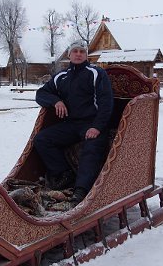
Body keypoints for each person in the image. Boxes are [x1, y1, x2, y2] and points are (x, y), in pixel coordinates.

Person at [34, 39, 113, 206]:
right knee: (42, 139)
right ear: (69, 55)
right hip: (71, 124)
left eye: (82, 51)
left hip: (93, 123)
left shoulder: (96, 73)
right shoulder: (61, 77)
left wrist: (97, 127)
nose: (78, 54)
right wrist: (56, 101)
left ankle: (81, 190)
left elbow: (107, 103)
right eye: (75, 51)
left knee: (91, 147)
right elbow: (41, 94)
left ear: (86, 55)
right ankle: (64, 174)